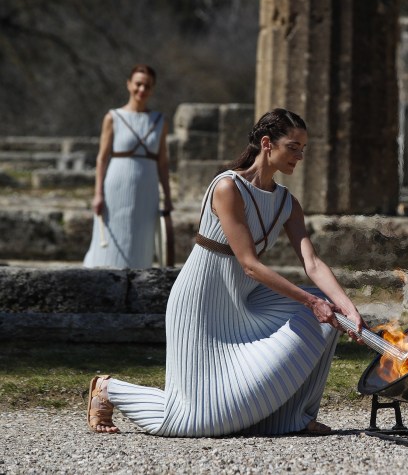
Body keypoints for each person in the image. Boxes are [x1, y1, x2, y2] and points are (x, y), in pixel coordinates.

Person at [86, 108, 365, 437]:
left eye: (303, 149)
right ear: (267, 144)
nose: (300, 156)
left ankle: (293, 418)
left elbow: (313, 263)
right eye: (293, 146)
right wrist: (310, 301)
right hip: (201, 304)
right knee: (195, 420)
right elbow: (249, 264)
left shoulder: (288, 203)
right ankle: (109, 389)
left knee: (326, 314)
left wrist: (346, 306)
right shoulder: (227, 187)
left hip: (244, 303)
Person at [83, 64, 173, 269]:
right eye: (138, 84)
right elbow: (102, 158)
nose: (142, 90)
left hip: (147, 188)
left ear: (152, 89)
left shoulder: (159, 121)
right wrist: (97, 193)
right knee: (111, 236)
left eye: (147, 86)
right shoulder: (113, 118)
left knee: (141, 237)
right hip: (116, 186)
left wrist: (167, 197)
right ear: (129, 85)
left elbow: (163, 162)